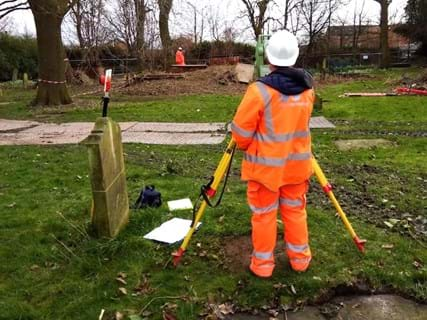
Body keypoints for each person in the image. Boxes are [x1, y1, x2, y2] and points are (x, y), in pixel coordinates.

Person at [231, 30, 315, 278]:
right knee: (295, 212)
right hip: (297, 167)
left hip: (266, 170)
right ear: (295, 57)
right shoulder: (308, 89)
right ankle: (300, 260)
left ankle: (263, 266)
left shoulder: (260, 91)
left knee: (265, 216)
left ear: (269, 58)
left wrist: (247, 146)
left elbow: (240, 133)